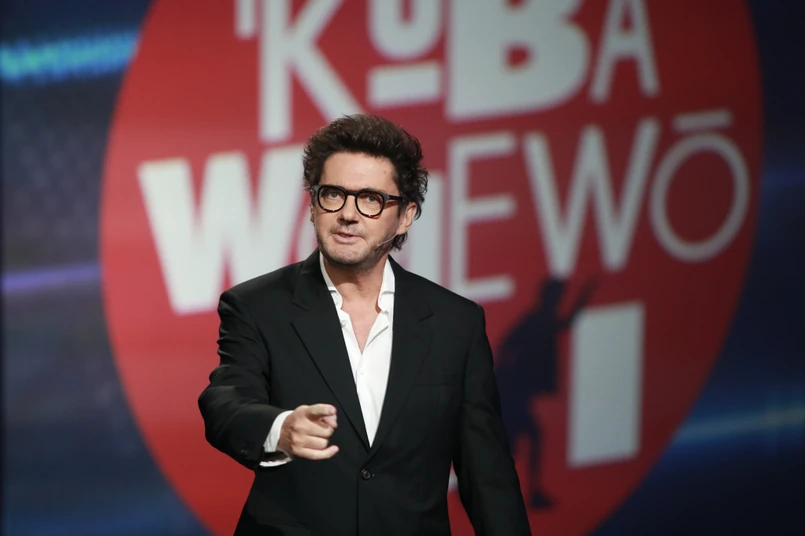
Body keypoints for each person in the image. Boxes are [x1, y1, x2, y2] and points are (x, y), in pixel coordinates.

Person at [198, 113, 531, 535]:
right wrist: (280, 429)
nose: (348, 214)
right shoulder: (257, 306)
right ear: (313, 205)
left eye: (370, 199)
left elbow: (488, 475)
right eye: (333, 194)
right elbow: (225, 403)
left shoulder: (455, 323)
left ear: (406, 215)